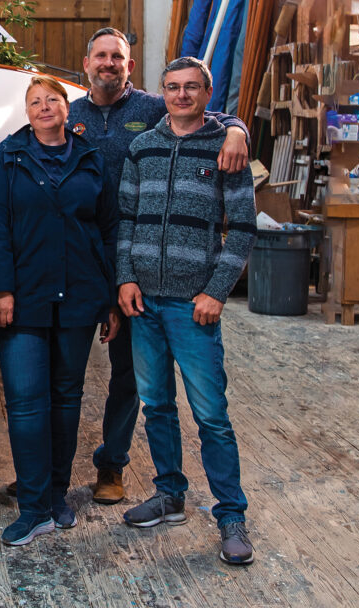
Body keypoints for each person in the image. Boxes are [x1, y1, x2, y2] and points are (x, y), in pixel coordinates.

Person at [65, 27, 250, 506]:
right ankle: (48, 470)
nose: (108, 64)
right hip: (85, 256)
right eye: (100, 56)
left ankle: (113, 465)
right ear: (86, 63)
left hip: (140, 263)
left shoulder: (152, 108)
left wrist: (238, 130)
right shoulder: (69, 112)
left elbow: (212, 115)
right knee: (66, 373)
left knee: (130, 376)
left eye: (118, 57)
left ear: (130, 66)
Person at [117, 56, 257, 565]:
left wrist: (217, 290)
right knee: (156, 405)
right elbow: (126, 220)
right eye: (172, 87)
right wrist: (125, 278)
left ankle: (231, 515)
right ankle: (169, 494)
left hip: (194, 306)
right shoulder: (142, 147)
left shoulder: (224, 146)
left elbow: (242, 226)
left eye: (191, 87)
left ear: (207, 91)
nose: (181, 95)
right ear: (162, 91)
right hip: (144, 304)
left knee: (211, 416)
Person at [0, 75, 120, 547]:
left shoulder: (90, 159)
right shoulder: (8, 157)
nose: (44, 107)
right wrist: (1, 290)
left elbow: (107, 229)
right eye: (35, 102)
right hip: (24, 297)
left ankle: (58, 497)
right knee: (25, 404)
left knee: (66, 401)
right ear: (28, 111)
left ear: (67, 108)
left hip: (81, 297)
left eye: (52, 100)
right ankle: (34, 507)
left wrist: (109, 299)